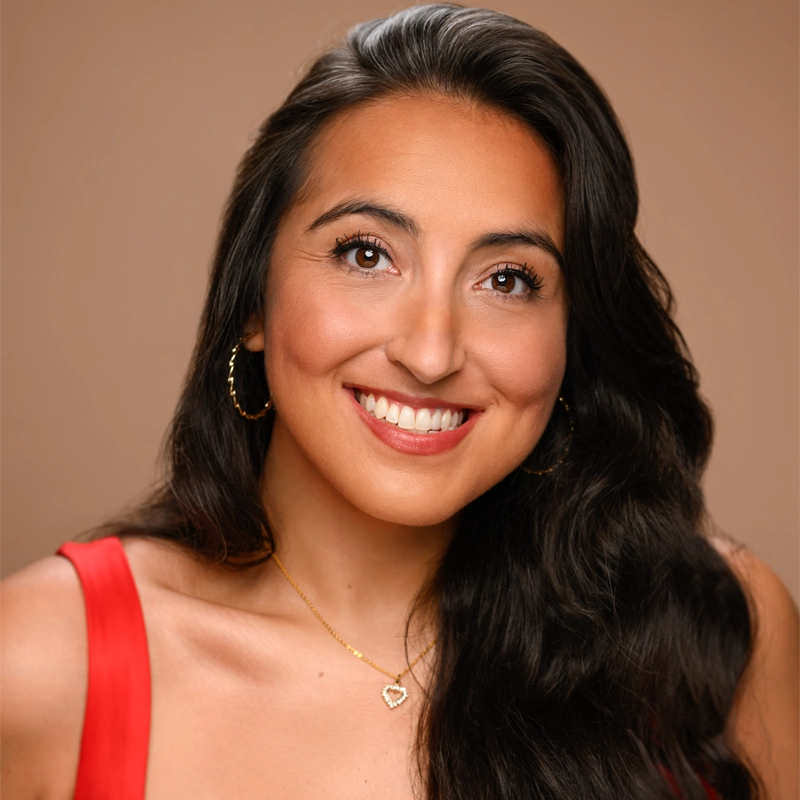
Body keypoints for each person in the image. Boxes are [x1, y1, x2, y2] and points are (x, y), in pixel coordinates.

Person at [2, 4, 797, 798]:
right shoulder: (40, 664)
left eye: (507, 279)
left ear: (572, 339)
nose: (430, 353)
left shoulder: (717, 636)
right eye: (366, 254)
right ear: (252, 300)